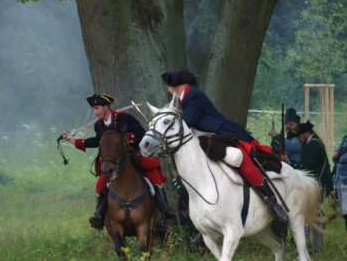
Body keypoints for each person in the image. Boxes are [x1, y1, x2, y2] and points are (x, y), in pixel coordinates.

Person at [161, 70, 289, 227]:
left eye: (170, 86)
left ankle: (273, 203)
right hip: (207, 139)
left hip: (221, 134)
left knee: (241, 160)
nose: (168, 90)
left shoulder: (193, 95)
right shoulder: (184, 99)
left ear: (178, 86)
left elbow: (187, 123)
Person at [60, 93, 175, 230]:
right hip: (113, 161)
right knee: (101, 185)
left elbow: (141, 135)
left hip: (132, 156)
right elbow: (98, 141)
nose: (95, 112)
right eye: (94, 109)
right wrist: (75, 142)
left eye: (97, 108)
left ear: (106, 107)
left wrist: (123, 139)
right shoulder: (99, 125)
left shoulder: (125, 119)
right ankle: (99, 216)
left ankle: (165, 211)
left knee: (153, 179)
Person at [283, 121, 334, 251]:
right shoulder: (314, 143)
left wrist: (288, 161)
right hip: (318, 185)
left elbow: (304, 168)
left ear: (306, 134)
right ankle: (314, 246)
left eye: (300, 137)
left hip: (319, 186)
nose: (300, 140)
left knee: (311, 215)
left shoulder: (313, 145)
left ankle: (310, 246)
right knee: (313, 214)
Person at [333, 135, 347, 231]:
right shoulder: (345, 137)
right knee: (344, 211)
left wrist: (339, 156)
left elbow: (340, 156)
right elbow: (336, 153)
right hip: (340, 179)